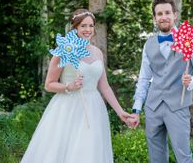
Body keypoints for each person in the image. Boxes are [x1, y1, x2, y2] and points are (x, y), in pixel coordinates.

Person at [21, 9, 130, 163]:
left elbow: (104, 86)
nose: (88, 30)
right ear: (75, 28)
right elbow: (49, 85)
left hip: (93, 108)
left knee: (89, 151)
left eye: (91, 26)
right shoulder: (64, 51)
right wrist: (69, 86)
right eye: (83, 26)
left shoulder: (98, 53)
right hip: (68, 107)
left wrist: (120, 112)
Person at [127, 0, 193, 163]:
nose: (164, 17)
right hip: (153, 107)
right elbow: (144, 78)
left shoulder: (190, 40)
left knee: (183, 156)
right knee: (156, 157)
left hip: (178, 106)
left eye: (167, 13)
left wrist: (191, 81)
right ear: (155, 18)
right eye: (159, 14)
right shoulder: (148, 44)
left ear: (175, 15)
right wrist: (136, 109)